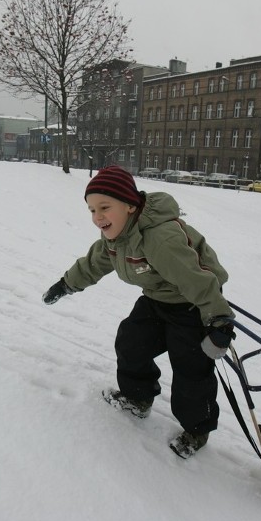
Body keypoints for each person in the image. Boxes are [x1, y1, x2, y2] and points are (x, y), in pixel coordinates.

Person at [42, 166, 235, 459]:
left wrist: (218, 320)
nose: (98, 217)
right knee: (131, 341)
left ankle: (197, 429)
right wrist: (67, 284)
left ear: (130, 205)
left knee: (191, 370)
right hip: (157, 299)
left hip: (192, 304)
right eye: (92, 209)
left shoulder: (159, 239)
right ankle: (137, 397)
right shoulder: (118, 236)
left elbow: (198, 281)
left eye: (105, 207)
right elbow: (95, 262)